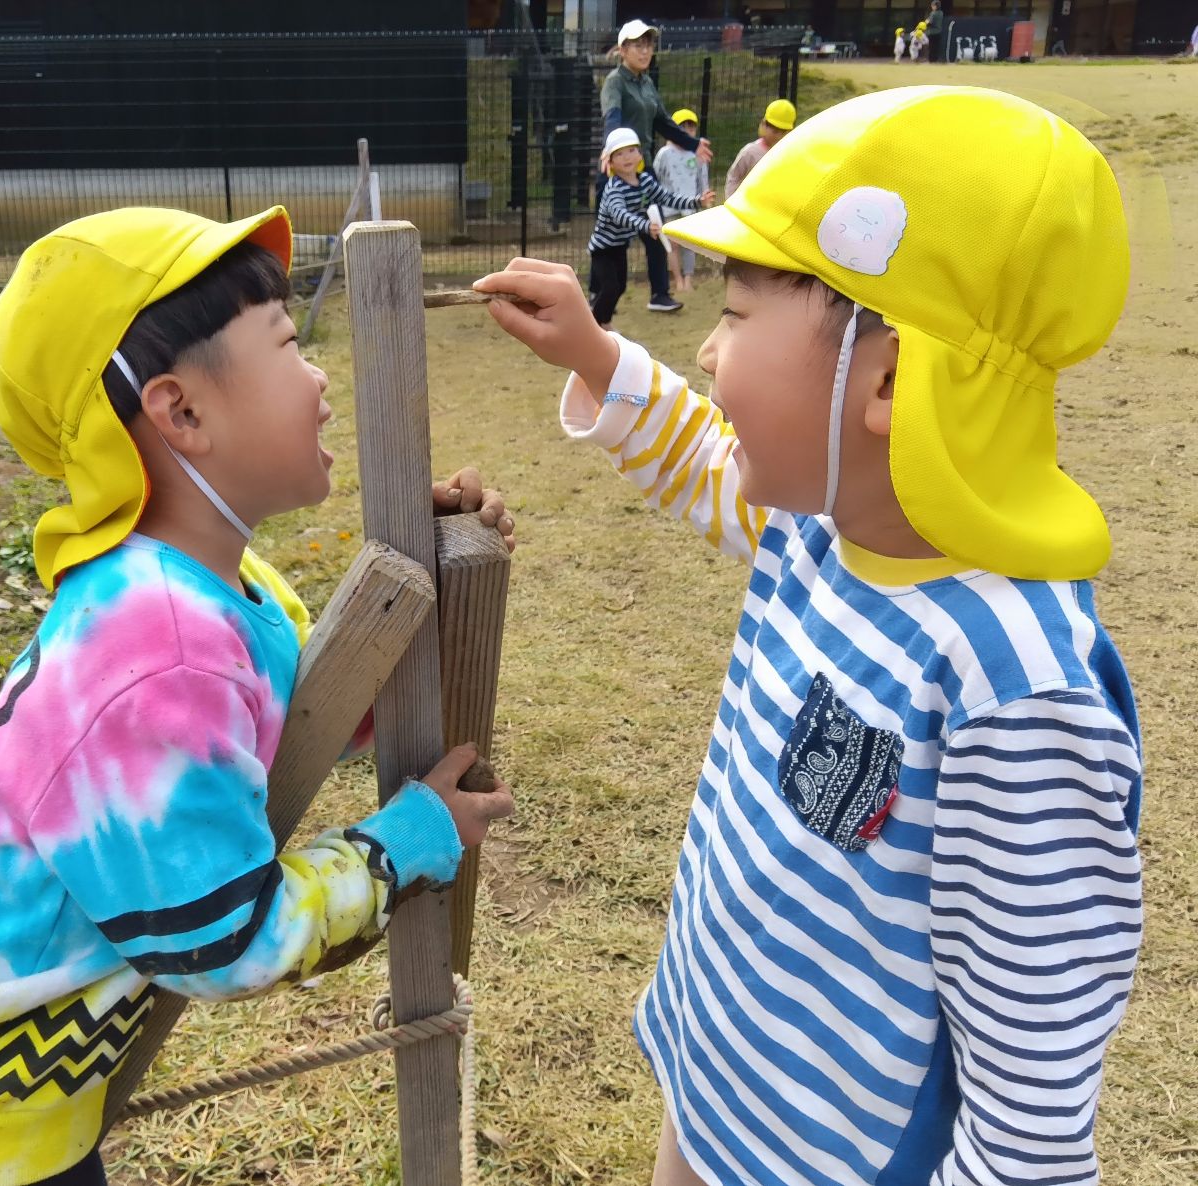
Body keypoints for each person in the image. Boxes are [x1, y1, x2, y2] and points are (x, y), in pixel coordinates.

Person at [474, 85, 1141, 1186]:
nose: (708, 356)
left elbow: (1030, 1114)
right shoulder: (823, 526)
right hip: (717, 1086)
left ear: (882, 374)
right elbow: (704, 457)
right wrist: (597, 355)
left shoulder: (1014, 683)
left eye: (734, 320)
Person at [0, 206, 518, 1186]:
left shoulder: (204, 585)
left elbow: (296, 724)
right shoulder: (155, 647)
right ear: (180, 410)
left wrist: (431, 575)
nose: (320, 380)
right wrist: (406, 843)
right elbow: (225, 939)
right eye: (288, 343)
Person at [600, 19, 714, 313]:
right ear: (623, 49)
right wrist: (610, 149)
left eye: (649, 45)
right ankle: (598, 296)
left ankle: (659, 295)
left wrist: (693, 143)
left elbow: (663, 122)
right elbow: (611, 117)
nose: (645, 51)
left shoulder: (647, 82)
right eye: (638, 45)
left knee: (655, 231)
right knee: (612, 236)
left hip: (644, 169)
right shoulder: (615, 82)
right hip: (619, 171)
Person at [589, 129, 712, 327]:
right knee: (610, 287)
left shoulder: (645, 180)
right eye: (619, 154)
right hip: (602, 249)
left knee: (620, 287)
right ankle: (595, 325)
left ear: (640, 155)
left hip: (620, 246)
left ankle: (603, 322)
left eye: (631, 151)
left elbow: (667, 197)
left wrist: (697, 200)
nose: (627, 157)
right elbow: (621, 215)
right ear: (610, 162)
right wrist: (646, 226)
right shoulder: (613, 188)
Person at [653, 109, 712, 291]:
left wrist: (705, 199)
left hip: (690, 207)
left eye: (691, 127)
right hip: (669, 207)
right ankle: (677, 279)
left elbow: (703, 179)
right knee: (672, 245)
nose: (687, 130)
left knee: (689, 245)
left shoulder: (697, 154)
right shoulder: (664, 154)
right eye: (682, 127)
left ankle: (688, 278)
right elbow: (655, 177)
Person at [725, 98, 795, 199]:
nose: (778, 135)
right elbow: (733, 177)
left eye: (783, 132)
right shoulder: (750, 152)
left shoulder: (789, 154)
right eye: (774, 130)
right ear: (764, 124)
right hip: (749, 206)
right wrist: (730, 201)